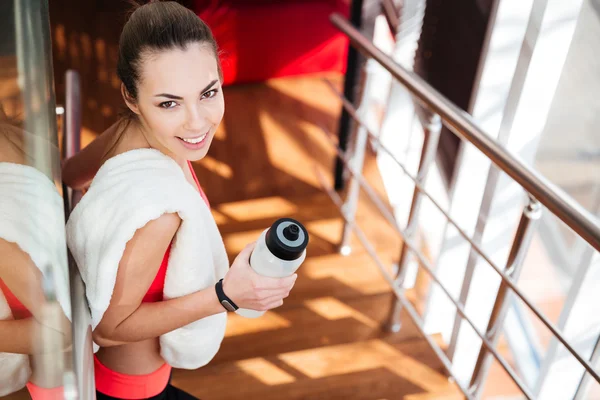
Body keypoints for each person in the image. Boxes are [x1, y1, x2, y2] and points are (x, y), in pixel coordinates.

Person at [61, 2, 297, 399]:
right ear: (131, 97)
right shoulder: (158, 210)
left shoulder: (127, 131)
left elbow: (71, 175)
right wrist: (227, 295)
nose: (196, 121)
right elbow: (109, 329)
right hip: (128, 391)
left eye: (208, 93)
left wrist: (104, 233)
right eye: (169, 103)